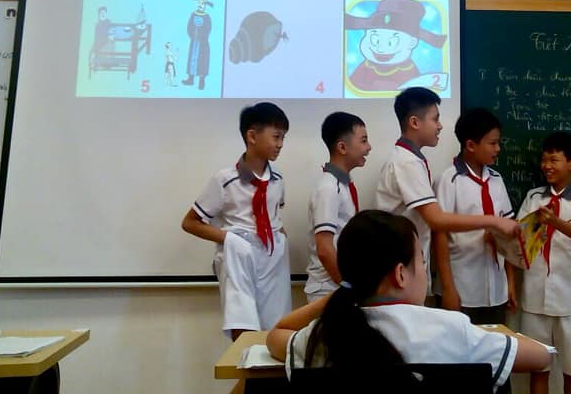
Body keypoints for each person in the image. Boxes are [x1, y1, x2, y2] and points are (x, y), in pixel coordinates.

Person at [266, 210, 552, 390]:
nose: (425, 270)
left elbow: (276, 334)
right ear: (401, 274)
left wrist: (343, 292)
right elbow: (541, 356)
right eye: (422, 262)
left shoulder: (325, 335)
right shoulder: (453, 330)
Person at [375, 87, 520, 293]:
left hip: (408, 268)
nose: (440, 125)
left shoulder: (412, 160)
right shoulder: (407, 163)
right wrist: (495, 221)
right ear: (415, 122)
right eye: (435, 119)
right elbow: (437, 220)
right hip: (400, 270)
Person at [181, 102, 292, 340]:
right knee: (243, 323)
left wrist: (281, 238)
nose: (280, 144)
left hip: (272, 255)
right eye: (276, 136)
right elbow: (190, 222)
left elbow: (275, 214)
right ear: (252, 136)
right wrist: (230, 239)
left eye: (283, 137)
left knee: (276, 325)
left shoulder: (278, 178)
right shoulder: (225, 179)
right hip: (238, 253)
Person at [516, 132, 571, 394]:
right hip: (534, 297)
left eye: (553, 160)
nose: (546, 166)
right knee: (538, 369)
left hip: (569, 301)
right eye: (544, 160)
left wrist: (554, 221)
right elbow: (518, 236)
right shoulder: (533, 197)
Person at [433, 108, 517, 325]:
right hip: (462, 288)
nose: (498, 149)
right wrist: (448, 289)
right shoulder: (448, 180)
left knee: (495, 343)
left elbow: (508, 232)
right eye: (492, 143)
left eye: (499, 142)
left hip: (496, 290)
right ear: (470, 145)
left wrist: (510, 283)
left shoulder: (497, 180)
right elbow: (439, 236)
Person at [304, 112, 371, 303]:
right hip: (328, 289)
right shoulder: (329, 188)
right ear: (342, 147)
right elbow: (325, 249)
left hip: (337, 285)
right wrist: (347, 285)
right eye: (363, 141)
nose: (369, 147)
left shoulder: (342, 185)